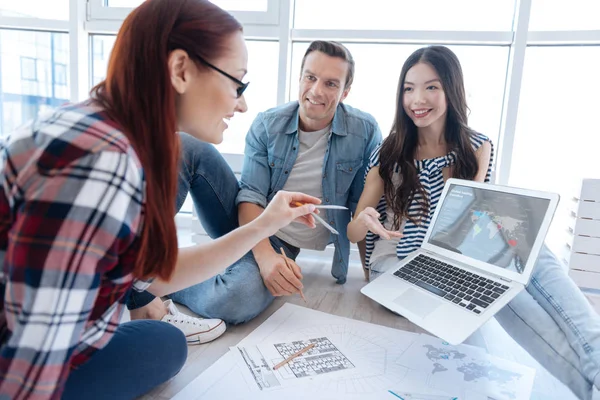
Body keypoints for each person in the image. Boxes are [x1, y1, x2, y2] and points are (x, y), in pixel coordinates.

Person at [0, 1, 320, 399]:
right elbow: (31, 364)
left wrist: (264, 225)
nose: (242, 104)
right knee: (163, 344)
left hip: (52, 322)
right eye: (238, 83)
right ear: (181, 70)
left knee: (165, 343)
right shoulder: (102, 167)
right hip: (20, 358)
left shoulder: (107, 126)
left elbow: (153, 272)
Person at [347, 45, 600, 400]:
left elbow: (473, 223)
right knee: (505, 291)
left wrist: (482, 188)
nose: (417, 98)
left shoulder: (476, 146)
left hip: (454, 254)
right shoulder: (391, 151)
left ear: (451, 89)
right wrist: (366, 219)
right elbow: (353, 230)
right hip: (401, 265)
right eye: (409, 88)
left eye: (431, 87)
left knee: (529, 249)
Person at [126, 40, 383, 327]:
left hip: (285, 240)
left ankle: (146, 283)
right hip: (249, 221)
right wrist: (265, 257)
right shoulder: (267, 124)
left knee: (233, 299)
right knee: (185, 146)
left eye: (331, 84)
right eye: (310, 77)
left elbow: (364, 207)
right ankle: (136, 270)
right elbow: (250, 198)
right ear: (299, 78)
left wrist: (370, 275)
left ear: (345, 91)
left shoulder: (365, 131)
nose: (316, 91)